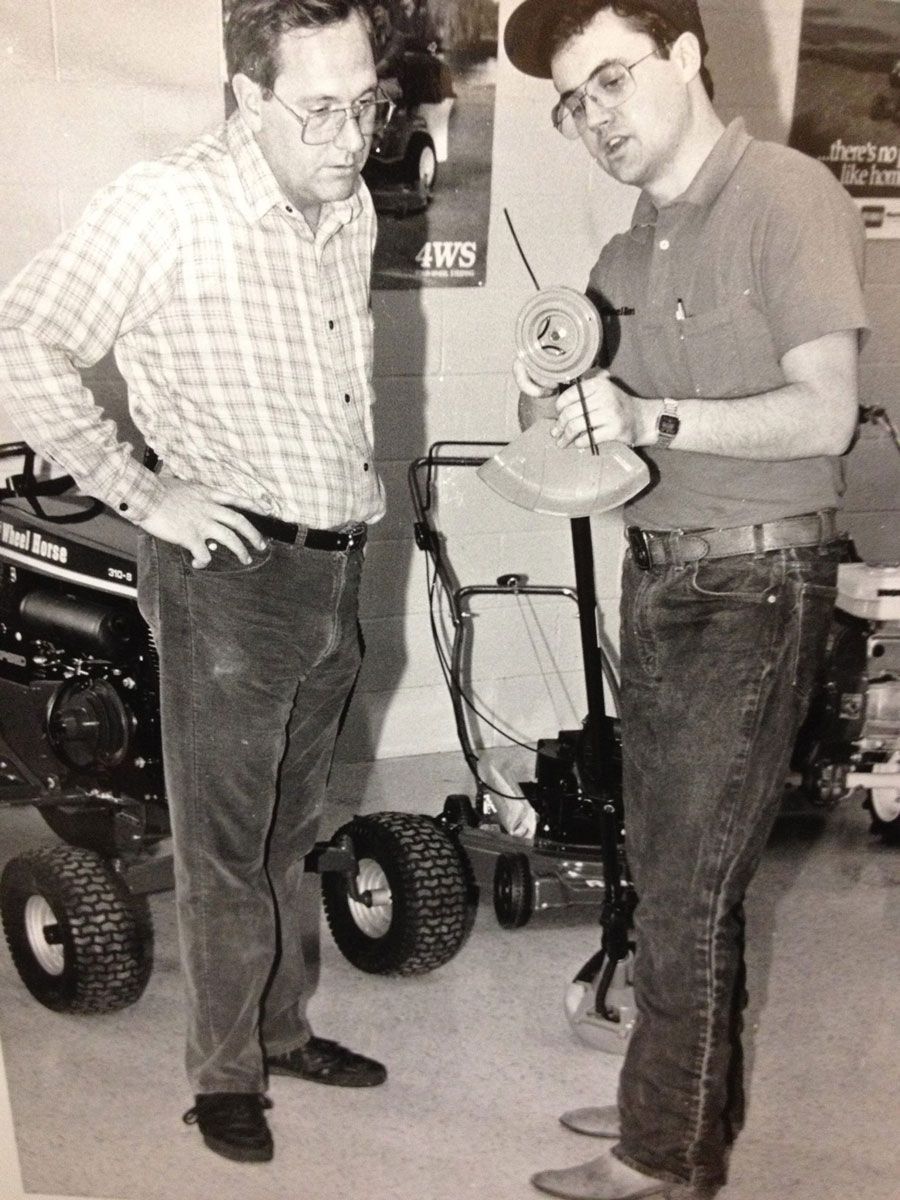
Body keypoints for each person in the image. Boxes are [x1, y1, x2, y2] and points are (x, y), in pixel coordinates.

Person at [0, 0, 394, 1167]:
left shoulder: (348, 197)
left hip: (334, 568)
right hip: (232, 574)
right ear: (246, 97)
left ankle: (279, 1030)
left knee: (287, 835)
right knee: (222, 851)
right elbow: (23, 338)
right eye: (320, 108)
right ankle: (224, 1079)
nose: (350, 134)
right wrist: (144, 493)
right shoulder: (170, 203)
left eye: (366, 102)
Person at [503, 1, 867, 1198]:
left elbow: (821, 415)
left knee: (686, 885)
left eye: (609, 81)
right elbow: (575, 442)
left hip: (753, 581)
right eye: (571, 102)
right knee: (675, 873)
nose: (591, 118)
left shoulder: (789, 193)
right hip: (660, 577)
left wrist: (651, 414)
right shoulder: (625, 253)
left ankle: (661, 1157)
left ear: (689, 56)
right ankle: (686, 1107)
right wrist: (548, 383)